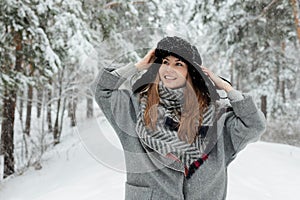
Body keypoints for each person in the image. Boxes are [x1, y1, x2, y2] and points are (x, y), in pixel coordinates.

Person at [91, 36, 266, 200]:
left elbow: (254, 126)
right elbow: (101, 90)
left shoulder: (218, 117)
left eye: (178, 64)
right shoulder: (134, 109)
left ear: (192, 71)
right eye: (164, 62)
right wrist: (139, 66)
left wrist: (227, 88)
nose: (169, 69)